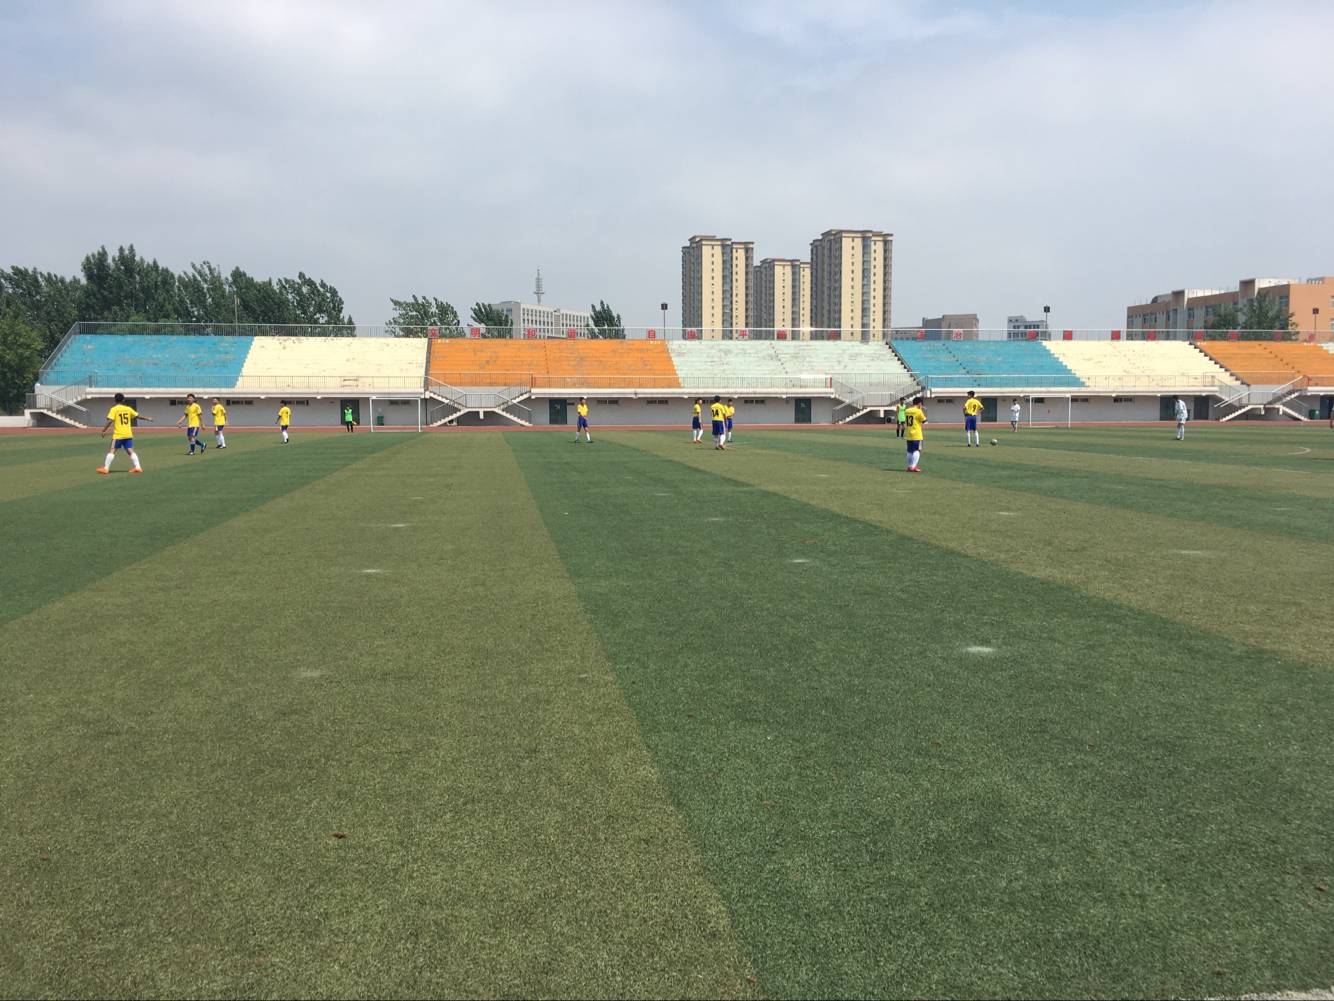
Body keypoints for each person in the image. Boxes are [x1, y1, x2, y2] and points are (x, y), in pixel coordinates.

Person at [97, 392, 153, 474]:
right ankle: (138, 467)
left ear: (115, 400)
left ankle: (105, 468)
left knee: (112, 450)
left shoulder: (114, 409)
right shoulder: (128, 409)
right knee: (130, 450)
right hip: (128, 434)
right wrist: (147, 418)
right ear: (123, 400)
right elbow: (137, 416)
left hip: (118, 435)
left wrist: (104, 430)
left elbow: (110, 421)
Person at [904, 396, 927, 472]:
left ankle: (910, 466)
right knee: (917, 450)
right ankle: (913, 466)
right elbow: (924, 421)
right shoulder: (918, 411)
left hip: (909, 434)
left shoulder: (907, 410)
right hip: (917, 434)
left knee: (910, 451)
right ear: (919, 403)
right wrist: (921, 410)